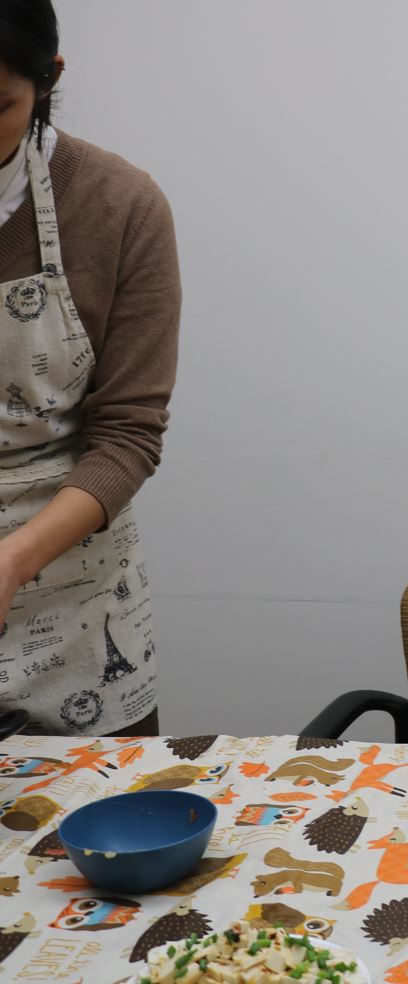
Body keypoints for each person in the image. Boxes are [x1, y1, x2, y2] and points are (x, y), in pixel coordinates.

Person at [0, 0, 181, 737]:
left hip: (74, 602)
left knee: (94, 842)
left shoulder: (119, 206)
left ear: (49, 79)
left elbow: (128, 435)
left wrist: (13, 560)